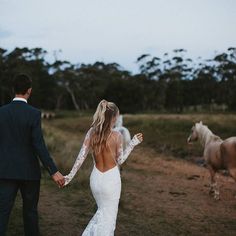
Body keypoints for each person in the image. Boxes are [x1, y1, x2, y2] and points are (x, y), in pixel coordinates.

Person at [64, 99, 143, 235]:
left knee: (101, 214)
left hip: (95, 180)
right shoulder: (117, 135)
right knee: (108, 220)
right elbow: (120, 160)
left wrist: (68, 177)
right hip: (111, 181)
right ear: (114, 117)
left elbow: (80, 158)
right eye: (117, 114)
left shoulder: (91, 133)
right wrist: (132, 144)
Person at [0, 74, 65, 236]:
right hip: (29, 172)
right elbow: (39, 145)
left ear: (13, 90)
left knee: (2, 212)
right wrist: (53, 171)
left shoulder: (1, 112)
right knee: (30, 212)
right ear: (29, 91)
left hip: (5, 171)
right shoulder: (34, 113)